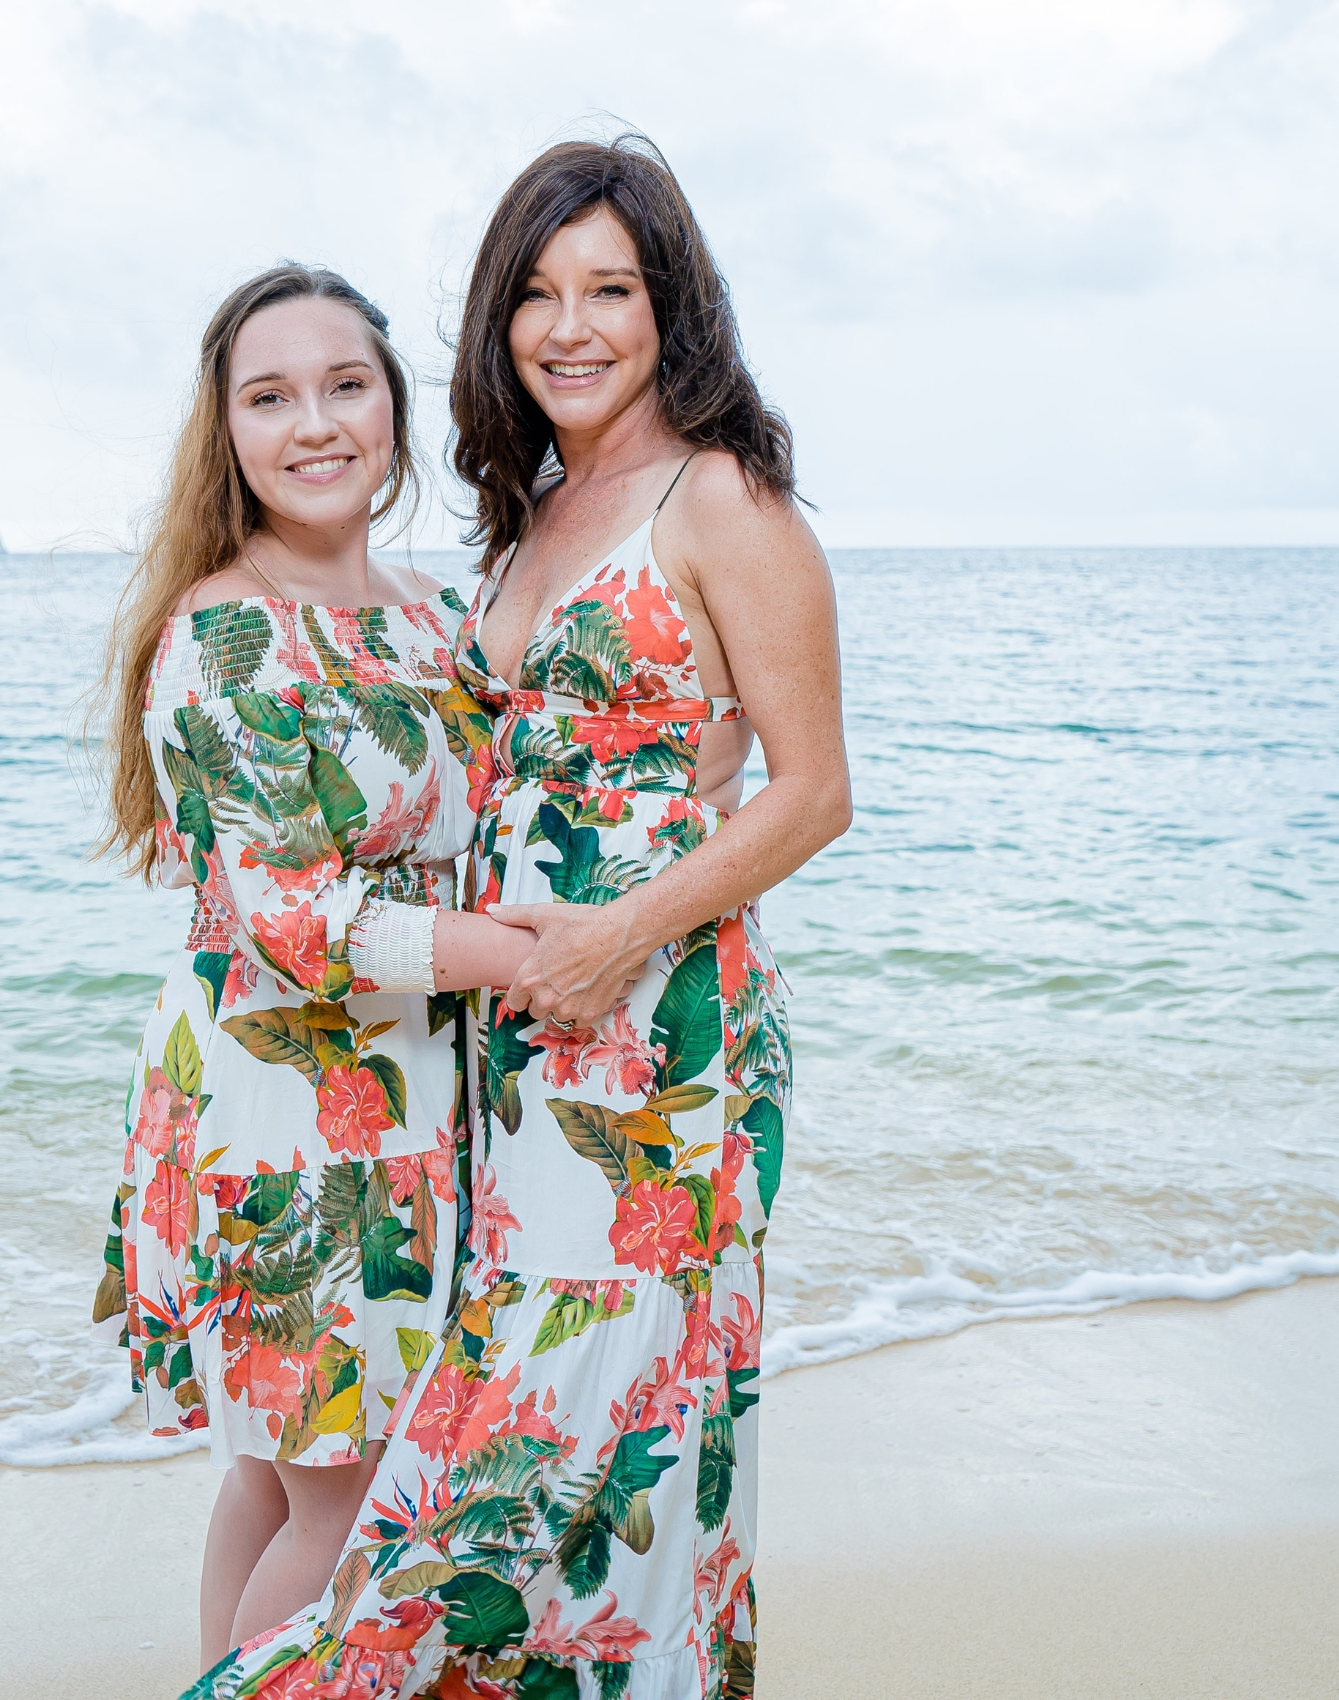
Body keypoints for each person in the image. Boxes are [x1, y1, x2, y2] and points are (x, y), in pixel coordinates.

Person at [192, 138, 850, 1700]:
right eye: (537, 295)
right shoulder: (541, 511)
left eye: (610, 291)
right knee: (527, 1437)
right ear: (497, 323)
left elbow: (814, 791)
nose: (571, 328)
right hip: (512, 1056)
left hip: (661, 1061)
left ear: (669, 307)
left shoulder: (723, 497)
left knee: (543, 1455)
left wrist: (626, 930)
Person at [92, 264, 538, 1673]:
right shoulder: (222, 633)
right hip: (288, 1123)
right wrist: (532, 955)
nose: (315, 423)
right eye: (270, 397)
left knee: (285, 1475)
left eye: (346, 385)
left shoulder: (428, 612)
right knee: (339, 1497)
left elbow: (516, 791)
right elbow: (301, 924)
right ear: (225, 432)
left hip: (405, 1109)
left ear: (395, 407)